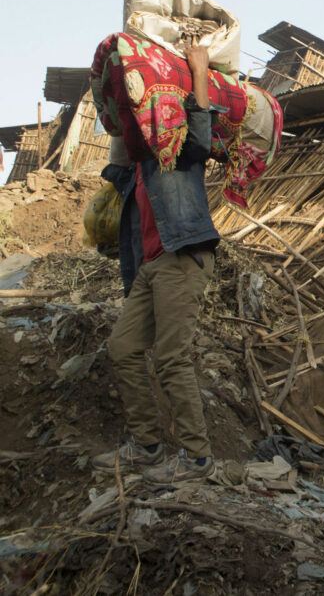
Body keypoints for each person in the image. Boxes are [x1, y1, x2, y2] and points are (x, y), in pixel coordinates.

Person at [92, 44, 223, 484]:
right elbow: (117, 149)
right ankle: (147, 446)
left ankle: (197, 456)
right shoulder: (133, 174)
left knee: (171, 357)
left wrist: (199, 73)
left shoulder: (176, 154)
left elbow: (202, 139)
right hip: (148, 269)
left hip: (181, 256)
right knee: (123, 349)